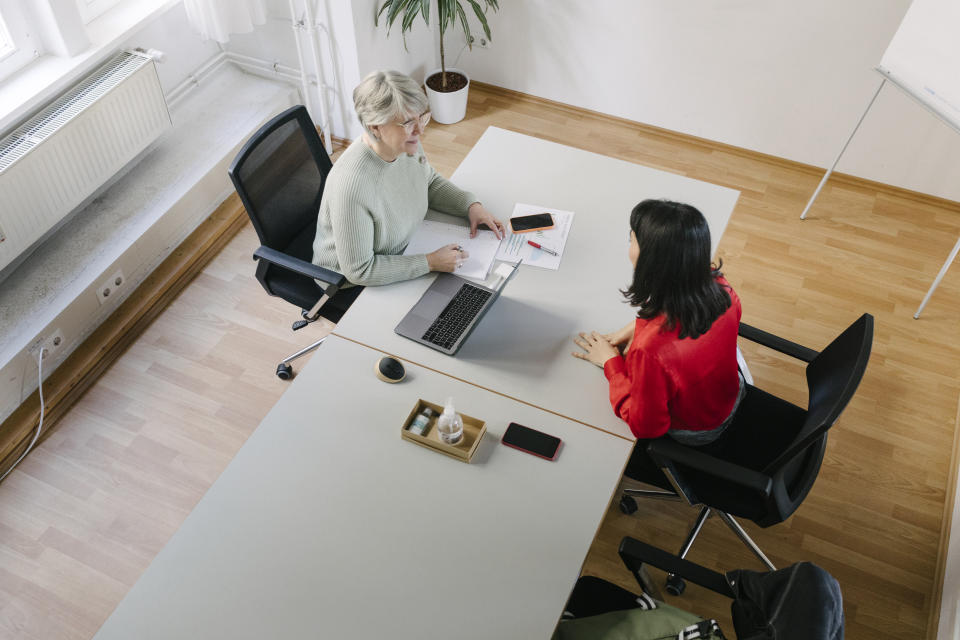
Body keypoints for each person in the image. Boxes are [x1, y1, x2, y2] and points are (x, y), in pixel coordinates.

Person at [571, 199, 744, 483]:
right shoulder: (721, 288)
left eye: (631, 240)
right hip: (730, 395)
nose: (628, 245)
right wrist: (637, 327)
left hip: (698, 433)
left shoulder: (650, 352)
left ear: (650, 259)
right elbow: (685, 329)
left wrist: (610, 363)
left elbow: (647, 426)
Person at [312, 70, 504, 296]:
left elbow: (428, 182)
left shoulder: (405, 145)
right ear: (375, 127)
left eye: (422, 118)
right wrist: (430, 262)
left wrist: (471, 206)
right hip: (354, 287)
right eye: (408, 123)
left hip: (408, 248)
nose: (421, 130)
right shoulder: (351, 186)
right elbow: (360, 270)